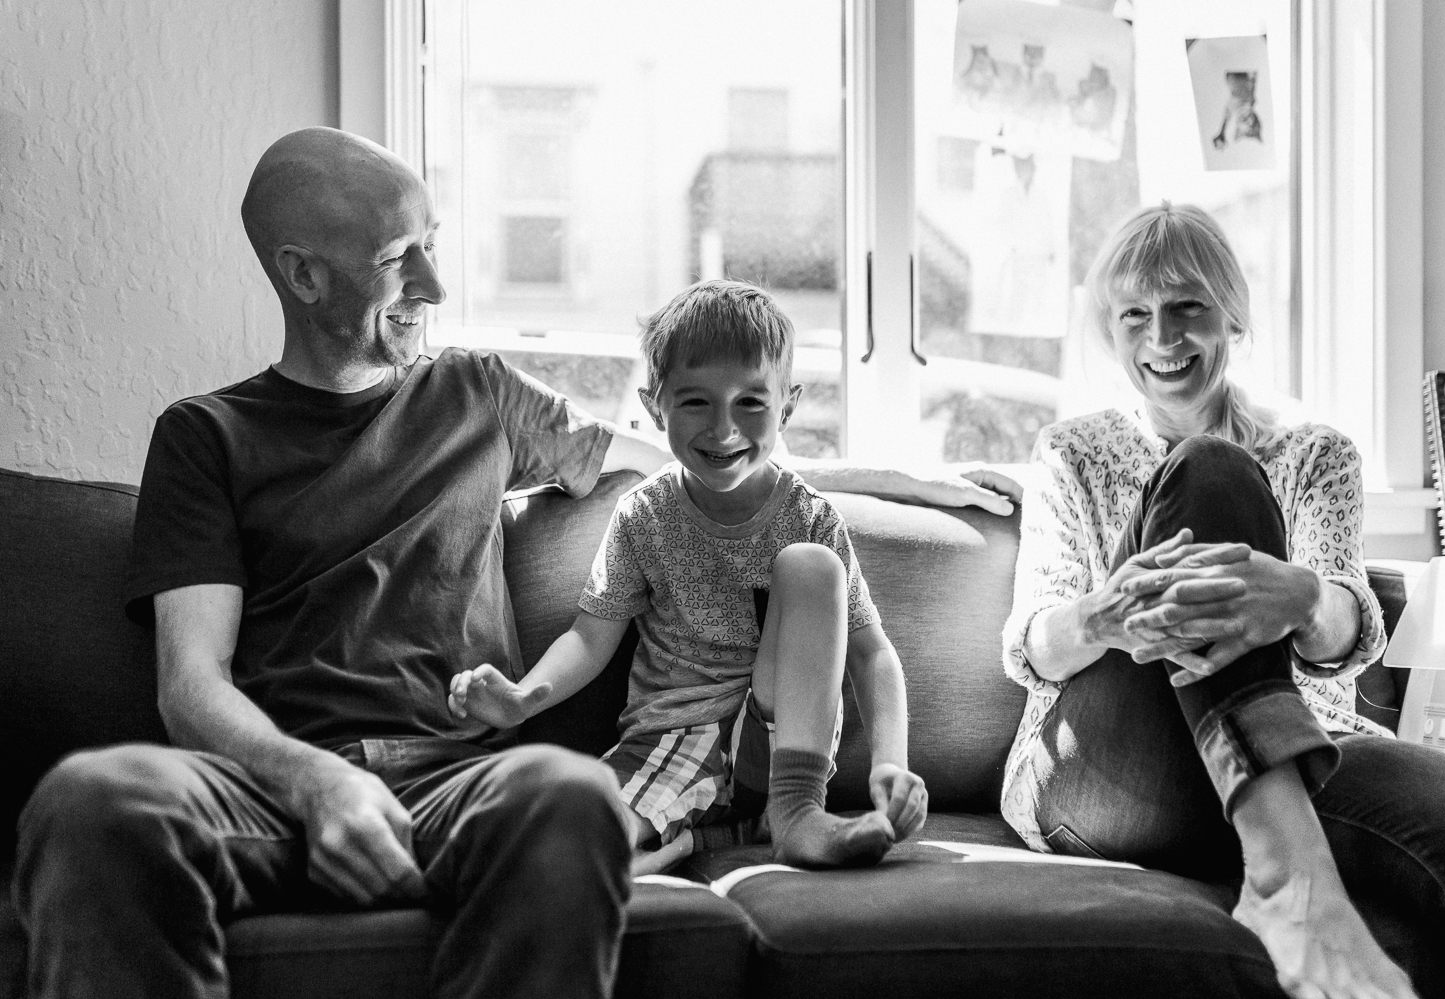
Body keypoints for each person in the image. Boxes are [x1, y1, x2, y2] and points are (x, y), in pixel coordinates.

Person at [12, 127, 1016, 999]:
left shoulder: (476, 394)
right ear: (305, 273)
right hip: (271, 789)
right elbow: (192, 687)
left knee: (570, 793)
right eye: (402, 258)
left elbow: (707, 464)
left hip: (459, 780)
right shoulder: (205, 436)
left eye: (435, 250)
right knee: (94, 799)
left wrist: (895, 480)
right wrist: (319, 785)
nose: (437, 289)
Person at [1000, 202, 1445, 999]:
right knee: (1211, 471)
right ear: (1113, 331)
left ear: (1231, 313)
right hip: (1110, 767)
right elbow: (1035, 646)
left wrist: (1302, 596)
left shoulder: (1315, 454)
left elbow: (1346, 631)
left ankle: (1276, 844)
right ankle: (1287, 878)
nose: (1162, 339)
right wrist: (1105, 614)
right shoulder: (1072, 452)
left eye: (1187, 308)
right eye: (1136, 315)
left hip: (1302, 746)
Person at [449, 280, 927, 875]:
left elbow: (872, 653)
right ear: (656, 406)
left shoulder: (810, 515)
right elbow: (590, 637)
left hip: (779, 750)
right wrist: (524, 700)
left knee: (811, 565)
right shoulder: (644, 515)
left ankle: (797, 816)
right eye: (696, 403)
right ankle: (704, 838)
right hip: (672, 737)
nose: (723, 429)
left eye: (751, 403)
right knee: (565, 834)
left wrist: (891, 763)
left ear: (788, 406)